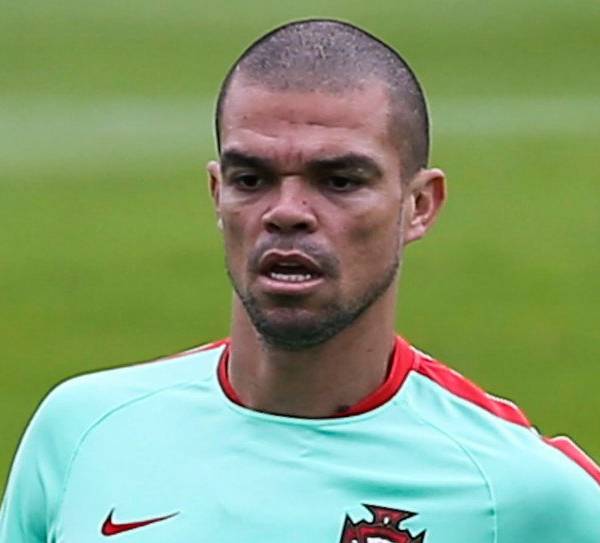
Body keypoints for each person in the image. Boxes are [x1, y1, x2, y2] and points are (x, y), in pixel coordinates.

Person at [1, 18, 598, 542]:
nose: (286, 212)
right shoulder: (83, 432)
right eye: (251, 179)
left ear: (419, 205)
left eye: (339, 181)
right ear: (217, 194)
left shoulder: (519, 489)